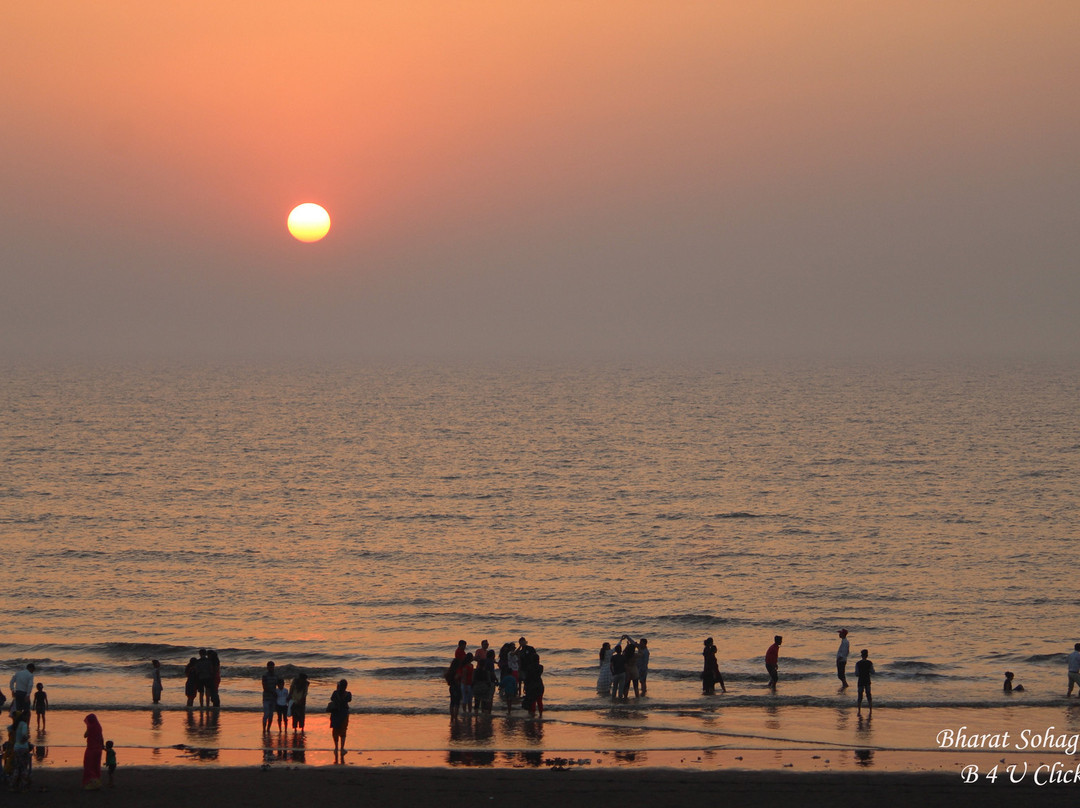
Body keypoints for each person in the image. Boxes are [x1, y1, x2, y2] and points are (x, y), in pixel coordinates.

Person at [328, 679, 352, 760]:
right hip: (344, 713)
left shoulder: (335, 693)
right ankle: (342, 748)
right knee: (343, 730)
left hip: (335, 713)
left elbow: (332, 699)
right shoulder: (348, 694)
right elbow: (348, 700)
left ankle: (336, 748)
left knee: (335, 730)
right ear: (346, 686)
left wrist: (337, 689)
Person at [10, 711, 31, 793]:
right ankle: (24, 787)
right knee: (23, 768)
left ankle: (13, 785)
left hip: (16, 747)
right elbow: (24, 736)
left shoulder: (17, 724)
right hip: (23, 748)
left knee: (17, 768)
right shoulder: (24, 725)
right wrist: (27, 737)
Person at [82, 713, 104, 790]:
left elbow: (85, 735)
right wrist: (102, 746)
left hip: (91, 749)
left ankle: (93, 782)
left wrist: (87, 728)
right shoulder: (99, 727)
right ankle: (97, 780)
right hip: (98, 749)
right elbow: (101, 738)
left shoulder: (91, 728)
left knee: (89, 765)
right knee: (96, 765)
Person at [854, 649, 874, 715]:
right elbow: (872, 672)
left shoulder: (858, 663)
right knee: (868, 695)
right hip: (867, 680)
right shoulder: (870, 663)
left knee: (860, 695)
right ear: (867, 655)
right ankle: (870, 709)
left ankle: (859, 710)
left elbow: (856, 674)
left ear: (861, 655)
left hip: (860, 680)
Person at [260, 661, 277, 733]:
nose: (271, 668)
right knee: (266, 713)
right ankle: (264, 729)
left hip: (273, 698)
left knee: (271, 715)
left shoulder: (276, 676)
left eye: (272, 667)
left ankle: (268, 729)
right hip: (266, 697)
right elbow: (265, 687)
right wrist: (273, 692)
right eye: (270, 667)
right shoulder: (265, 676)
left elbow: (279, 685)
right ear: (267, 667)